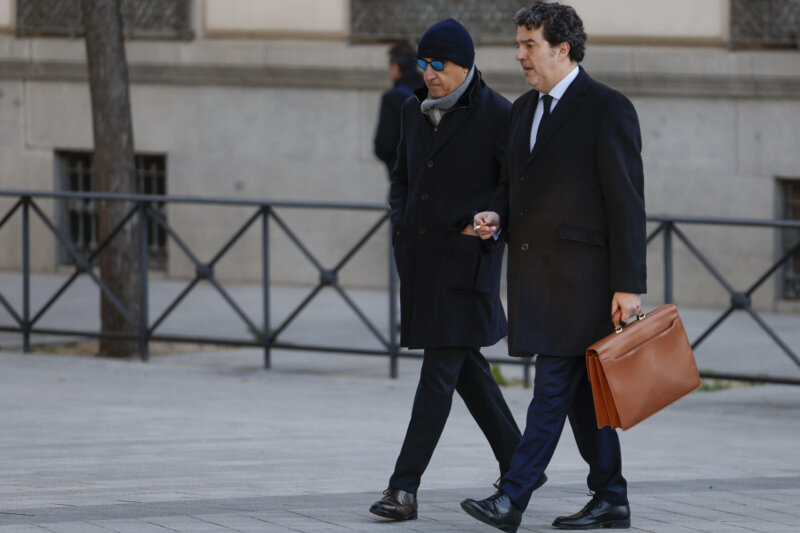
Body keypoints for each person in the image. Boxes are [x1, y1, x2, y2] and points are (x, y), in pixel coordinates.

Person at [460, 2, 647, 531]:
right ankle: (611, 496)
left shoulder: (608, 108)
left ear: (561, 49)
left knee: (551, 388)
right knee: (583, 398)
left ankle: (512, 496)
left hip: (586, 283)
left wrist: (629, 286)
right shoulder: (523, 110)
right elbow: (513, 187)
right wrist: (496, 213)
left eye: (529, 44)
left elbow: (627, 205)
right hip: (537, 278)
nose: (519, 54)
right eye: (518, 44)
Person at [369, 18, 524, 522]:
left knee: (438, 374)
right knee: (466, 371)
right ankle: (521, 465)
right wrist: (400, 224)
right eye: (423, 64)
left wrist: (492, 219)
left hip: (467, 263)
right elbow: (401, 178)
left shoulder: (500, 114)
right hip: (420, 260)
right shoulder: (414, 110)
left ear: (466, 65)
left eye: (439, 66)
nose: (430, 74)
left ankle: (403, 488)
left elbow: (513, 189)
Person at [373, 42, 424, 175]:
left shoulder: (393, 98)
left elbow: (384, 146)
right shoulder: (432, 93)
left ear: (396, 68)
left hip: (404, 179)